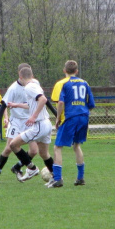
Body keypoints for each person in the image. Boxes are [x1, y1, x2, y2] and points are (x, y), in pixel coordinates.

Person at [0, 63, 42, 184]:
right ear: (20, 75)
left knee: (33, 151)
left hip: (29, 121)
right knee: (8, 148)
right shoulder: (13, 88)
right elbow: (3, 105)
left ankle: (17, 167)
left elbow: (43, 100)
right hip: (16, 122)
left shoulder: (35, 84)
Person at [49, 60, 95, 188]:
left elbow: (60, 102)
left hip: (70, 117)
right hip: (83, 116)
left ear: (64, 71)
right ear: (76, 71)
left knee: (57, 147)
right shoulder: (85, 83)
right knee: (77, 146)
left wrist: (58, 118)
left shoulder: (62, 83)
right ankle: (80, 178)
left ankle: (57, 179)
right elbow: (91, 104)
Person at [7, 67, 54, 182]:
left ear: (20, 76)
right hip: (47, 123)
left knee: (13, 145)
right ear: (32, 75)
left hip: (39, 125)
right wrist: (16, 104)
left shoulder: (28, 87)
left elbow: (43, 100)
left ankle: (31, 168)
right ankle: (57, 178)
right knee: (43, 153)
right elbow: (32, 104)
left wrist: (33, 116)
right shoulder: (35, 85)